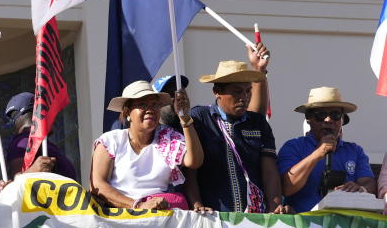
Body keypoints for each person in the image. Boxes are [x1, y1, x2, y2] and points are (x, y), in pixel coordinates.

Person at [184, 60, 286, 213]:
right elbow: (189, 170)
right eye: (237, 91)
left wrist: (275, 208)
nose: (244, 97)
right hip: (212, 216)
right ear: (217, 91)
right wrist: (196, 204)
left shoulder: (258, 123)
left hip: (255, 217)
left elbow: (270, 172)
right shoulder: (199, 117)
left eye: (248, 91)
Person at [90, 81, 202, 210]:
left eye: (154, 105)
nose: (150, 110)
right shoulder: (110, 141)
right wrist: (139, 205)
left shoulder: (168, 137)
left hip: (163, 216)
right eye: (142, 104)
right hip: (122, 218)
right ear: (127, 113)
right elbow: (97, 185)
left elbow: (194, 161)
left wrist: (184, 117)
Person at [277, 87, 375, 212]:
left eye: (335, 115)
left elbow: (369, 182)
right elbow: (287, 188)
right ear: (308, 118)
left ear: (342, 120)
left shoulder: (355, 150)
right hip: (306, 225)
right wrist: (318, 153)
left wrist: (360, 188)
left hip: (345, 225)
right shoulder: (293, 147)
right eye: (321, 115)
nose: (328, 120)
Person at [3, 92, 77, 179]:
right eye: (47, 109)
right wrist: (33, 170)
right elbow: (15, 183)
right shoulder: (24, 142)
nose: (53, 115)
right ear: (39, 112)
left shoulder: (37, 142)